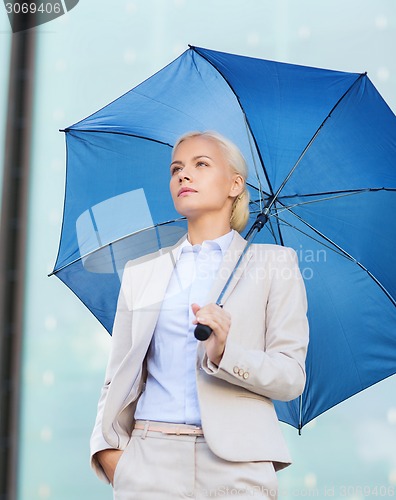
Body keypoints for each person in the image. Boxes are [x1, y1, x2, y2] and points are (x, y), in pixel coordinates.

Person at [90, 131, 309, 499]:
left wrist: (226, 353)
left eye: (200, 164)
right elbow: (117, 378)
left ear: (235, 184)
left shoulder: (275, 265)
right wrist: (110, 455)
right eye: (176, 168)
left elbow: (291, 376)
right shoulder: (142, 271)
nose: (183, 175)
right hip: (148, 461)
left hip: (237, 467)